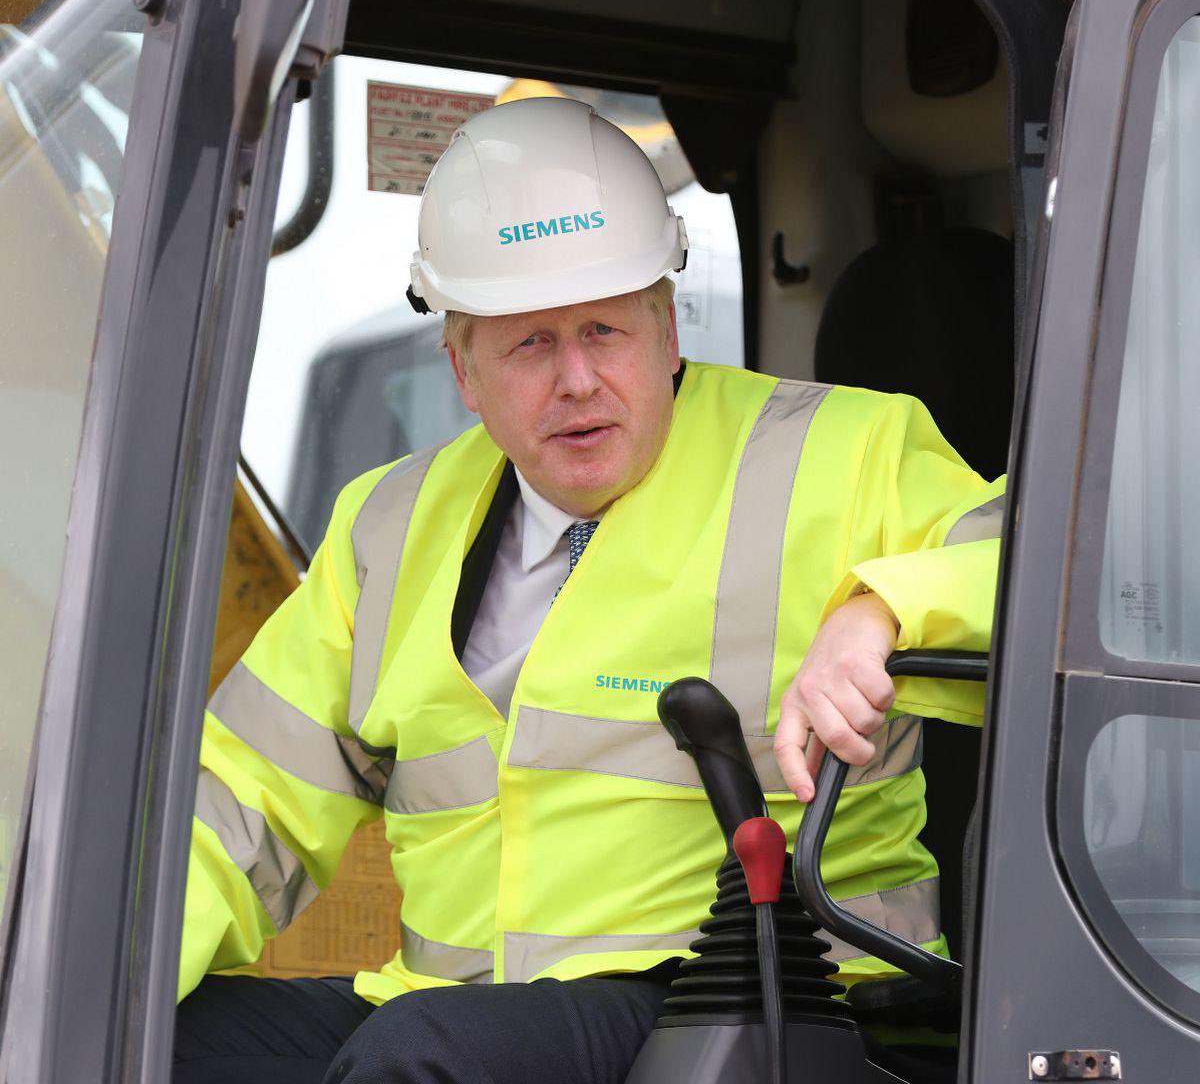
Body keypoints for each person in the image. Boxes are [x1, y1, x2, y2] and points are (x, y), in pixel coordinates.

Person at [173, 96, 1004, 1084]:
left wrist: (884, 609)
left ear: (666, 329)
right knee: (142, 1037)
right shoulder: (386, 526)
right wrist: (85, 962)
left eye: (605, 330)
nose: (576, 378)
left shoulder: (847, 451)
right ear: (462, 367)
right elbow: (243, 804)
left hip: (757, 992)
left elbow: (1048, 571)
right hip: (459, 1003)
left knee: (422, 1057)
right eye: (530, 343)